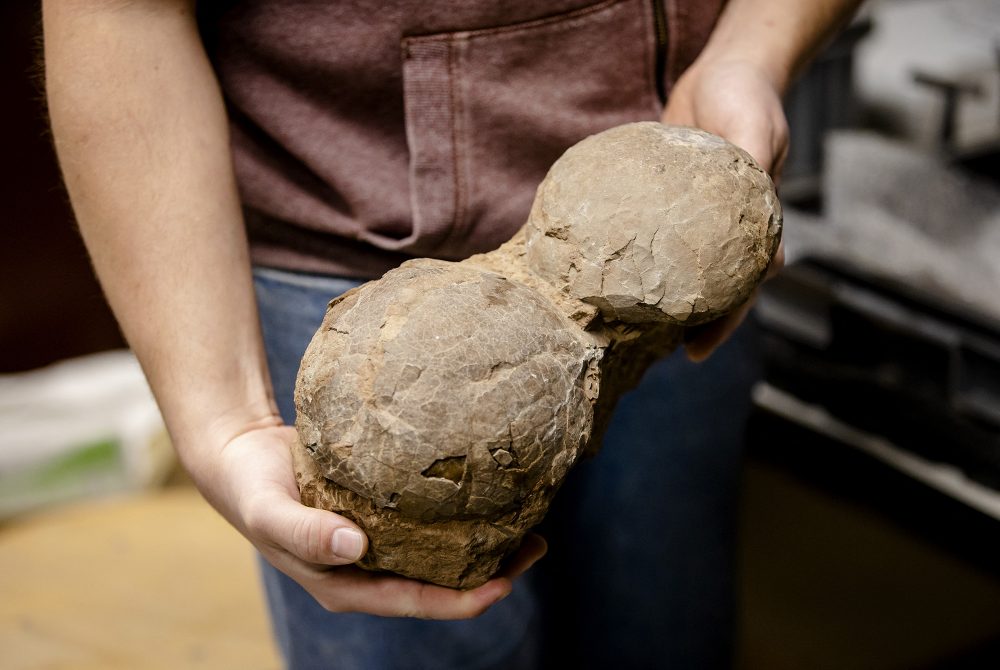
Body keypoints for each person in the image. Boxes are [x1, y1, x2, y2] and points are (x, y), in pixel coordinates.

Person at [43, 1, 861, 667]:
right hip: (350, 248)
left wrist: (752, 50)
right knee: (421, 633)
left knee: (661, 633)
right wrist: (224, 419)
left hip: (668, 244)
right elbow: (117, 13)